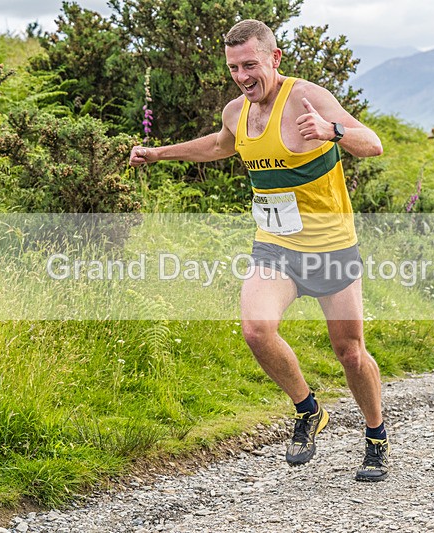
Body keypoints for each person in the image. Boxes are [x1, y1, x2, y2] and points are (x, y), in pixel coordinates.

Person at [129, 19, 388, 481]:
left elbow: (372, 144)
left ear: (275, 58)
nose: (243, 76)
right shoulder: (237, 111)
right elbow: (218, 146)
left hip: (331, 247)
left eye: (250, 65)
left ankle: (375, 435)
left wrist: (331, 130)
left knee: (349, 352)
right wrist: (158, 153)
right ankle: (308, 410)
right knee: (255, 330)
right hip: (276, 246)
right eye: (234, 68)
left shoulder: (307, 97)